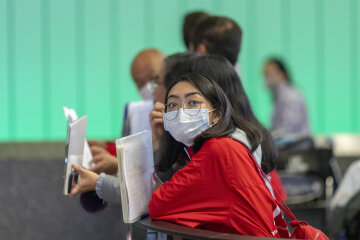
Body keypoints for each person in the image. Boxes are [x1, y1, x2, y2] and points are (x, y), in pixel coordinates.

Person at [148, 73, 289, 237]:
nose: (181, 112)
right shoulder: (229, 143)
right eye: (172, 104)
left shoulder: (218, 151)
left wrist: (154, 145)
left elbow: (157, 206)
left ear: (217, 114)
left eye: (192, 102)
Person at [263, 58, 311, 136]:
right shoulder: (278, 97)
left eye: (268, 73)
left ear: (281, 74)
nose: (265, 77)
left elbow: (288, 128)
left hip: (297, 146)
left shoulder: (291, 96)